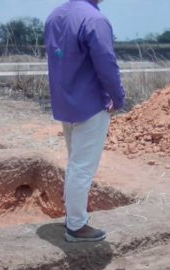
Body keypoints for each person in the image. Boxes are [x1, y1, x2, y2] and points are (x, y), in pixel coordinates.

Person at [45, 0, 125, 242]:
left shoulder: (54, 16)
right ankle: (77, 226)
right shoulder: (95, 20)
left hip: (65, 101)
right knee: (82, 167)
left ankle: (72, 217)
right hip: (90, 103)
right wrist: (118, 97)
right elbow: (106, 64)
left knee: (74, 163)